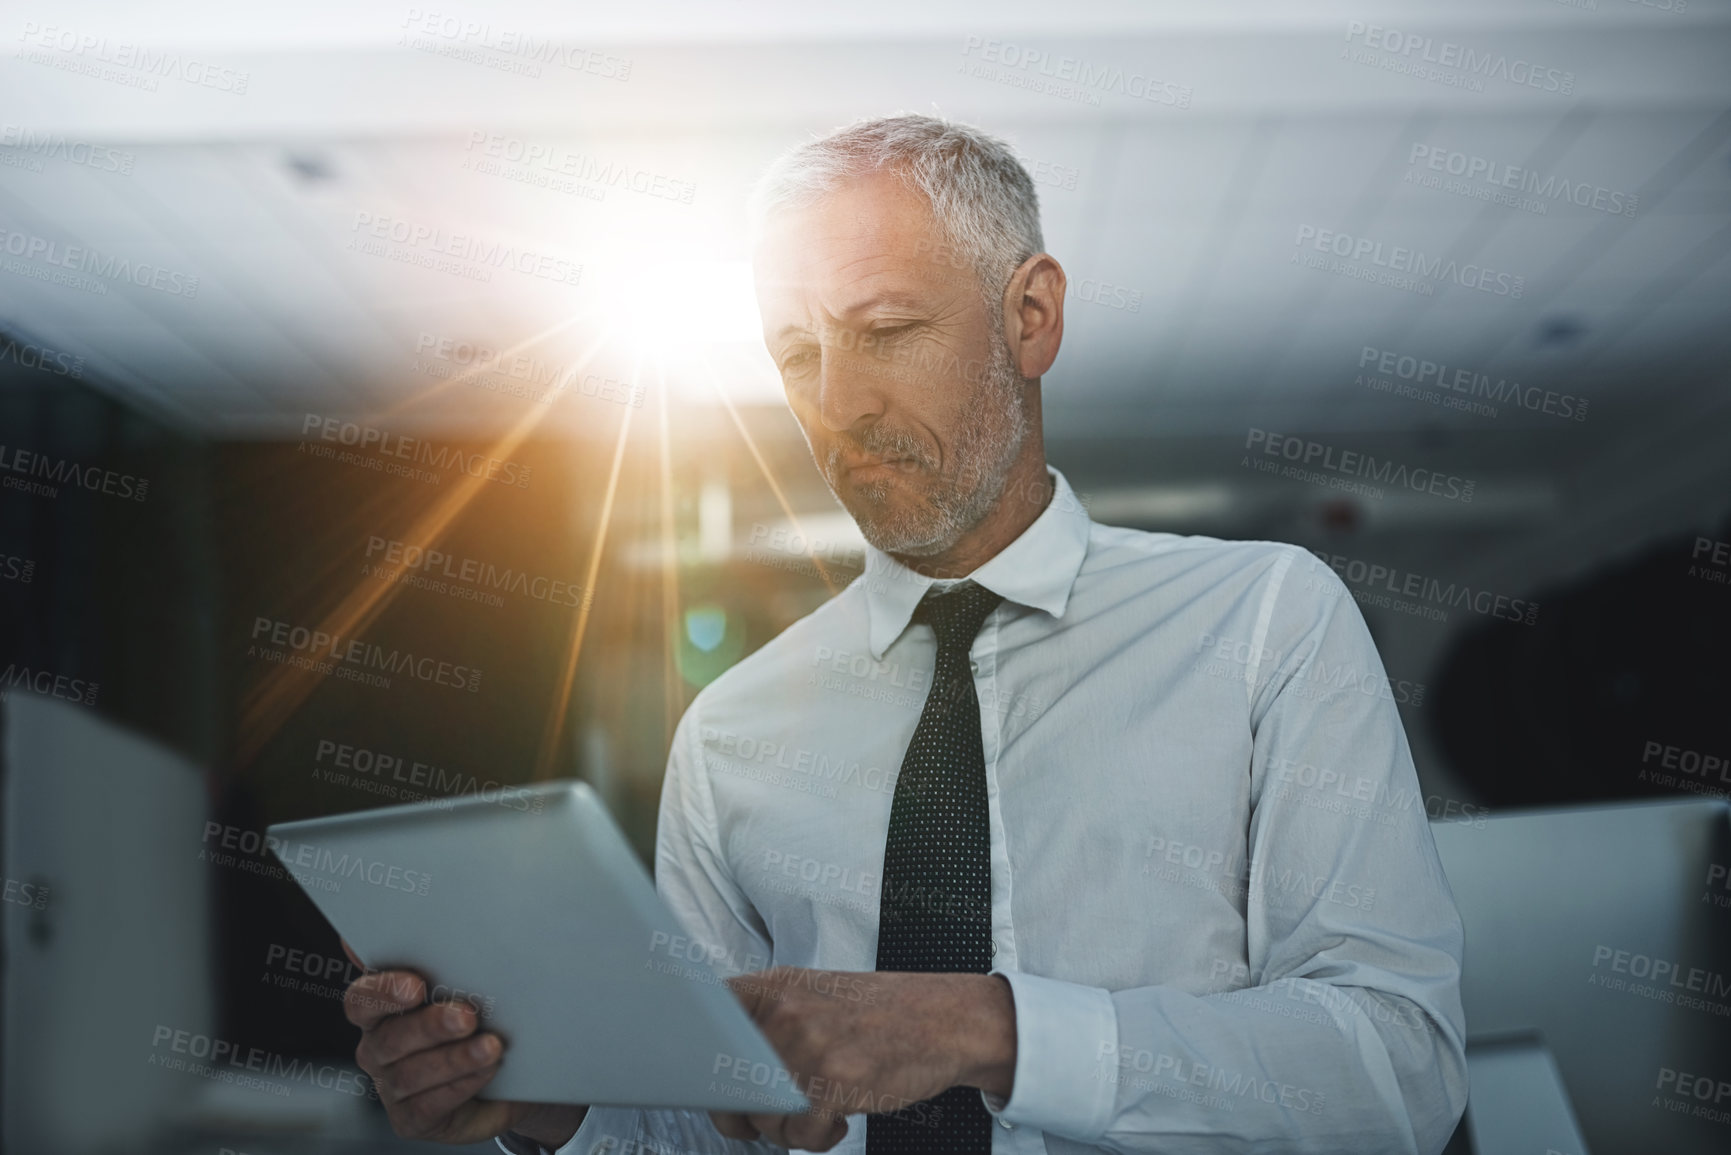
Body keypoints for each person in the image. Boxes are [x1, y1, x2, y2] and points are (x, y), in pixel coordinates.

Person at [344, 114, 1468, 1155]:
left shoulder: (1266, 618)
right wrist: (552, 1106)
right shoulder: (732, 732)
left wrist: (986, 1028)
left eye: (884, 331)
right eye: (795, 355)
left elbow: (1399, 1074)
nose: (837, 404)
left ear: (1031, 317)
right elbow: (713, 1122)